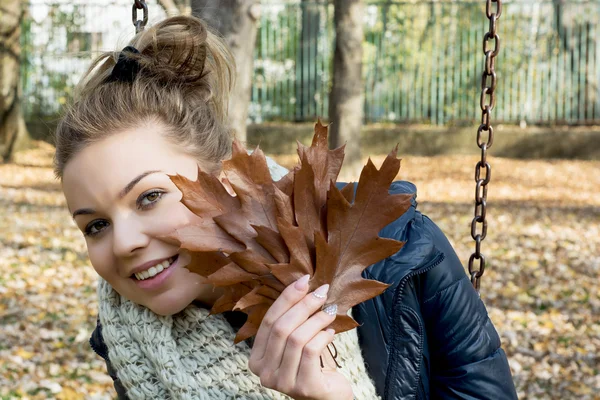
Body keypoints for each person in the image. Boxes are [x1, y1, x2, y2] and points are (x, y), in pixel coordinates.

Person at [54, 15, 518, 400]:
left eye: (149, 197)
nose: (125, 242)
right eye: (95, 225)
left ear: (221, 178)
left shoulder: (400, 250)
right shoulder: (129, 339)